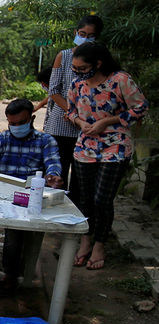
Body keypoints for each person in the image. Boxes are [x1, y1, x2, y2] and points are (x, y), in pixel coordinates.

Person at [67, 42, 148, 270]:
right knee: (84, 198)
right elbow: (71, 110)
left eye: (82, 68)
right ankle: (85, 241)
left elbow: (140, 107)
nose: (78, 72)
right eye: (75, 68)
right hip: (85, 147)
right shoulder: (77, 84)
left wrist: (106, 121)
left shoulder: (120, 80)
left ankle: (100, 244)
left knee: (102, 199)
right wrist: (80, 122)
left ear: (98, 63)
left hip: (115, 147)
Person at [0, 98, 63, 295]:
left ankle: (10, 277)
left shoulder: (46, 141)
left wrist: (53, 176)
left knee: (14, 232)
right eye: (12, 124)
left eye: (21, 123)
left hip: (26, 196)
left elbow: (53, 164)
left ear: (32, 118)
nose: (16, 128)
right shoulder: (1, 139)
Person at [46, 15, 104, 200]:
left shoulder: (101, 61)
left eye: (91, 36)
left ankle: (78, 214)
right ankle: (55, 215)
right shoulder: (63, 56)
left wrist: (83, 118)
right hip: (61, 124)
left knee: (82, 176)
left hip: (88, 127)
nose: (86, 38)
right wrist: (73, 113)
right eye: (82, 33)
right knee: (58, 171)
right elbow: (53, 90)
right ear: (75, 33)